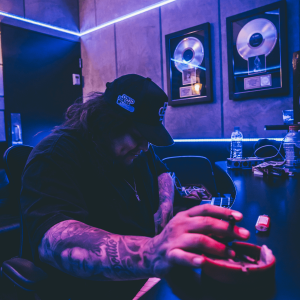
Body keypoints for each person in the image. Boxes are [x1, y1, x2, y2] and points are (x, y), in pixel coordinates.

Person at [20, 74, 250, 300]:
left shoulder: (137, 151)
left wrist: (164, 205)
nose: (144, 146)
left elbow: (163, 173)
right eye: (137, 135)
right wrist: (151, 252)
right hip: (92, 289)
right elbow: (55, 240)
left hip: (144, 278)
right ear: (105, 120)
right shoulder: (55, 154)